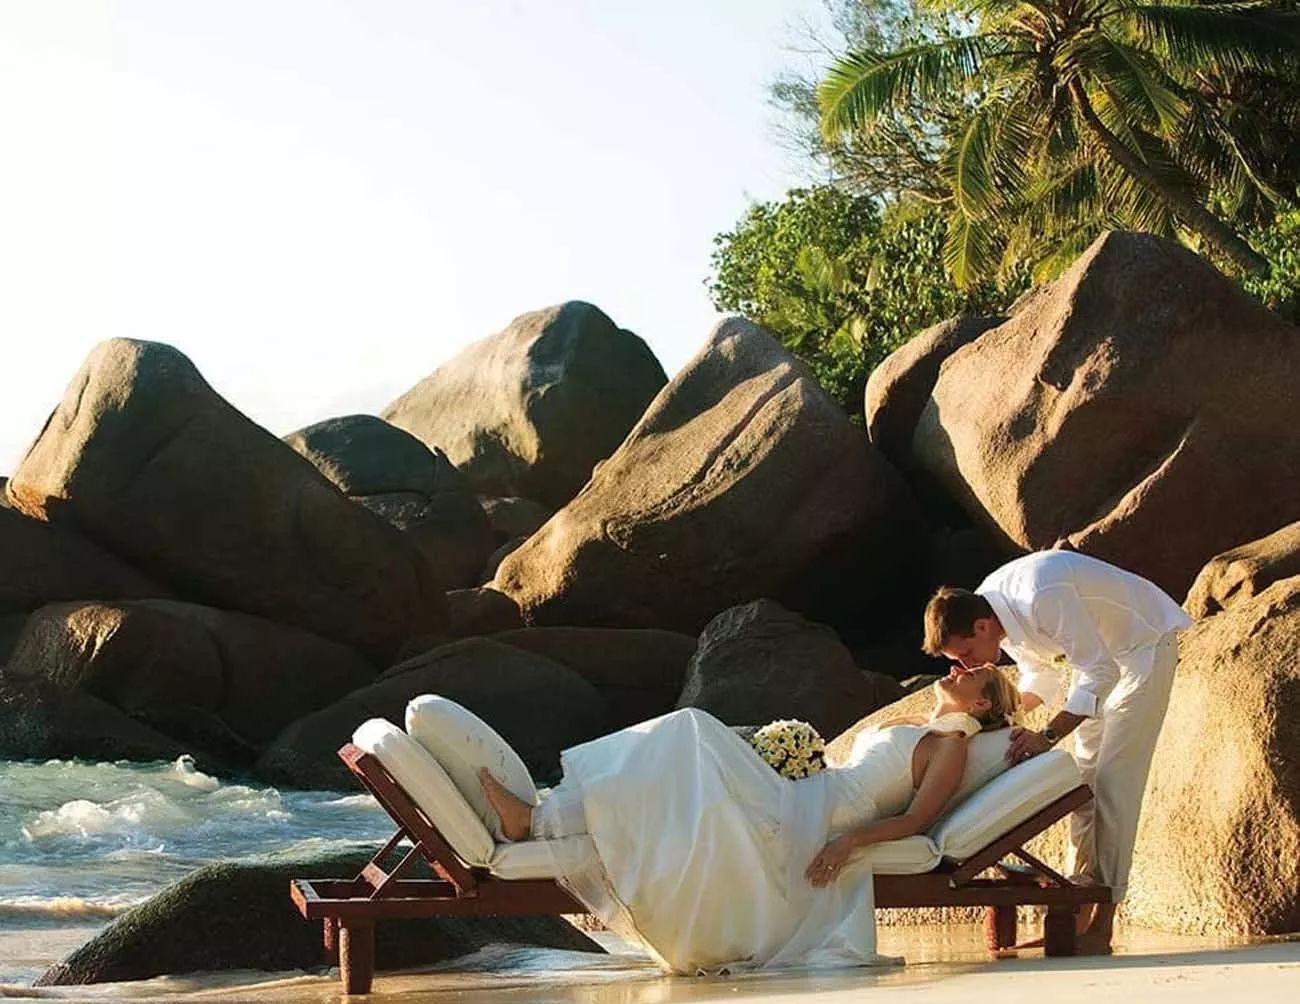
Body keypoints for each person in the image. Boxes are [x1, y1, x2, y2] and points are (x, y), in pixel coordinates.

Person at [479, 666, 1020, 975]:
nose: (958, 668)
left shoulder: (951, 745)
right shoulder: (921, 725)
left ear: (981, 705)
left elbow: (917, 821)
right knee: (679, 773)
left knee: (690, 729)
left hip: (826, 811)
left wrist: (846, 844)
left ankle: (539, 818)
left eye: (973, 674)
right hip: (809, 791)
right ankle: (542, 816)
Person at [923, 549, 1192, 954]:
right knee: (1083, 785)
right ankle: (1076, 913)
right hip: (1097, 666)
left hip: (1142, 650)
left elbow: (1101, 671)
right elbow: (1041, 677)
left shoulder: (1039, 596)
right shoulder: (991, 611)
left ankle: (1103, 925)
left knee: (1114, 783)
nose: (966, 666)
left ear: (981, 627)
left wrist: (1046, 736)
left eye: (965, 655)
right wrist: (990, 718)